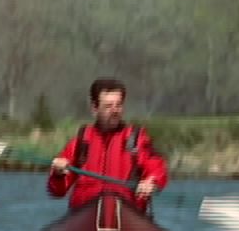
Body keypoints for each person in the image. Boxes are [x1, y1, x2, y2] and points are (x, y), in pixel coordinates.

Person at [48, 77, 168, 214]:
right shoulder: (82, 140)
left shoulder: (137, 138)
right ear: (94, 108)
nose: (115, 111)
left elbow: (157, 167)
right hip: (85, 218)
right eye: (108, 106)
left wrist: (150, 182)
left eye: (118, 105)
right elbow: (57, 191)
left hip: (126, 217)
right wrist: (58, 173)